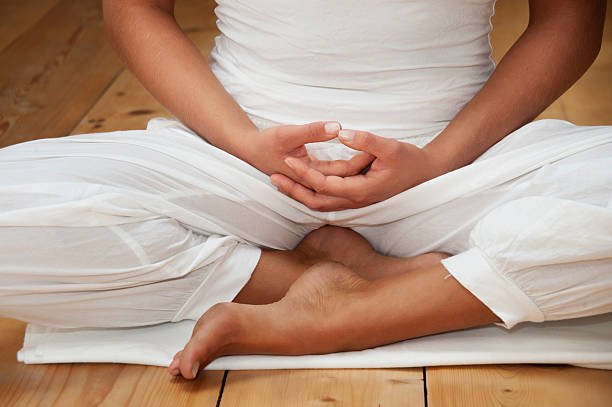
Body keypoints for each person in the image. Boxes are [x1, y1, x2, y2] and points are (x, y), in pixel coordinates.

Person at [0, 0, 610, 381]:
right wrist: (243, 141)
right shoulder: (238, 150)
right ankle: (350, 281)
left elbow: (569, 20)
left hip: (456, 165)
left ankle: (350, 309)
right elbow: (134, 8)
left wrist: (440, 159)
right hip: (239, 164)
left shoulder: (450, 160)